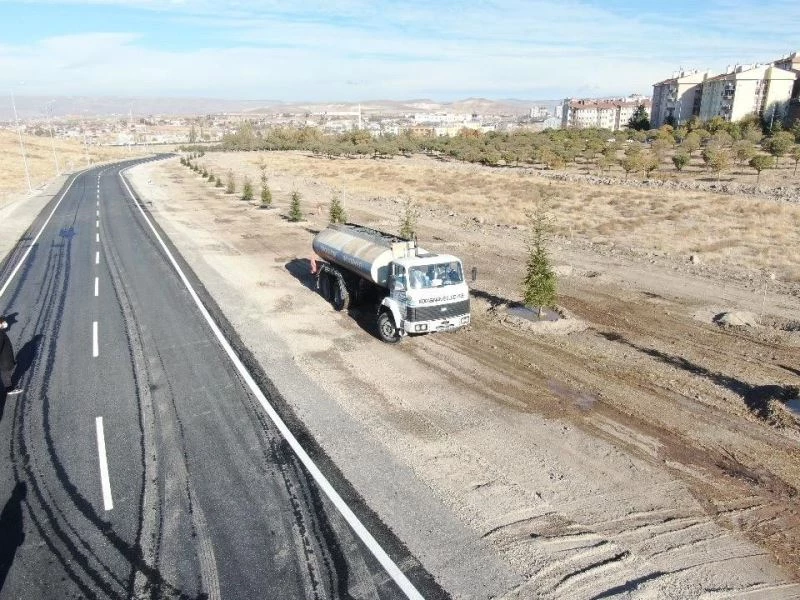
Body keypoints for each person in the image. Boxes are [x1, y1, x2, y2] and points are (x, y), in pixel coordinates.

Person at [0, 317, 22, 396]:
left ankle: (8, 386)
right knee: (6, 374)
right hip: (4, 360)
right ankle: (9, 389)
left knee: (6, 374)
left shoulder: (1, 332)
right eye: (3, 322)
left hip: (5, 359)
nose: (5, 324)